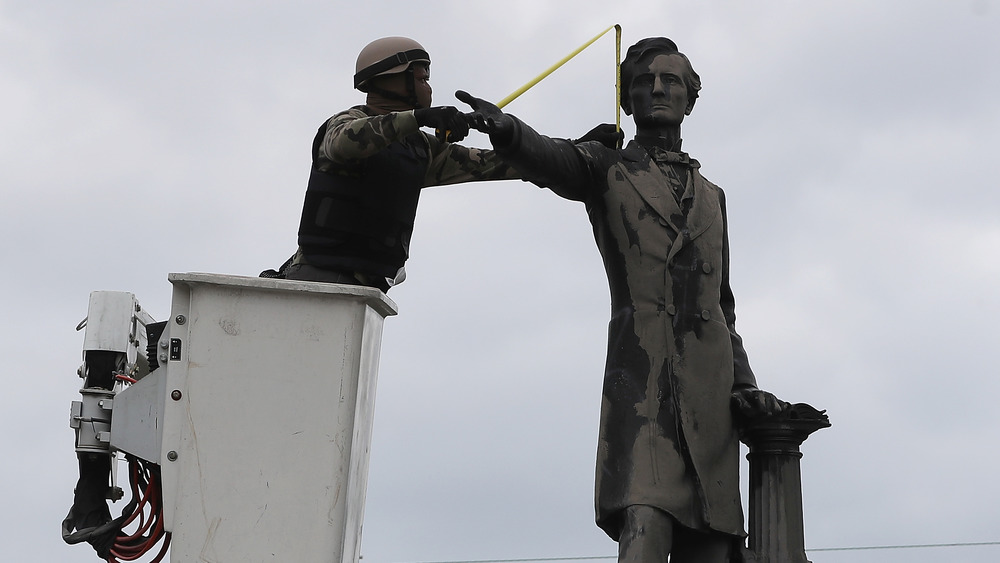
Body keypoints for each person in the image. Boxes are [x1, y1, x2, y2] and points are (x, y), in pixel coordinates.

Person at [458, 38, 786, 562]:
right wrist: (509, 130)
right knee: (645, 520)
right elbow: (550, 158)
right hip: (643, 388)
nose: (657, 89)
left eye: (671, 81)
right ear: (627, 101)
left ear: (690, 98)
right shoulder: (607, 168)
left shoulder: (713, 197)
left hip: (710, 396)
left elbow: (721, 308)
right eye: (642, 82)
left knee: (711, 544)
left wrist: (744, 387)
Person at [272, 36, 615, 291]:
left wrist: (575, 147)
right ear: (392, 80)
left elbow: (500, 164)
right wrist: (419, 117)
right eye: (421, 79)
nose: (429, 87)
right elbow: (348, 142)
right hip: (316, 280)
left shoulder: (420, 149)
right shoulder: (344, 124)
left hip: (366, 290)